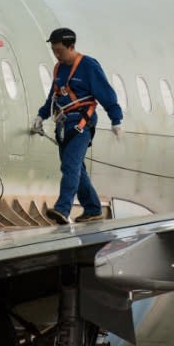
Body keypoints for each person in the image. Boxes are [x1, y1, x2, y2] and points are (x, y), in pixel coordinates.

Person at [31, 27, 123, 225]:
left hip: (82, 123)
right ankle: (92, 209)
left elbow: (105, 92)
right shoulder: (59, 69)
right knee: (76, 169)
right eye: (54, 51)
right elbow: (54, 96)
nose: (57, 55)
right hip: (64, 125)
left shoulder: (88, 66)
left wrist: (116, 119)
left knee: (70, 166)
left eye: (59, 51)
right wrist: (41, 115)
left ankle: (63, 208)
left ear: (71, 46)